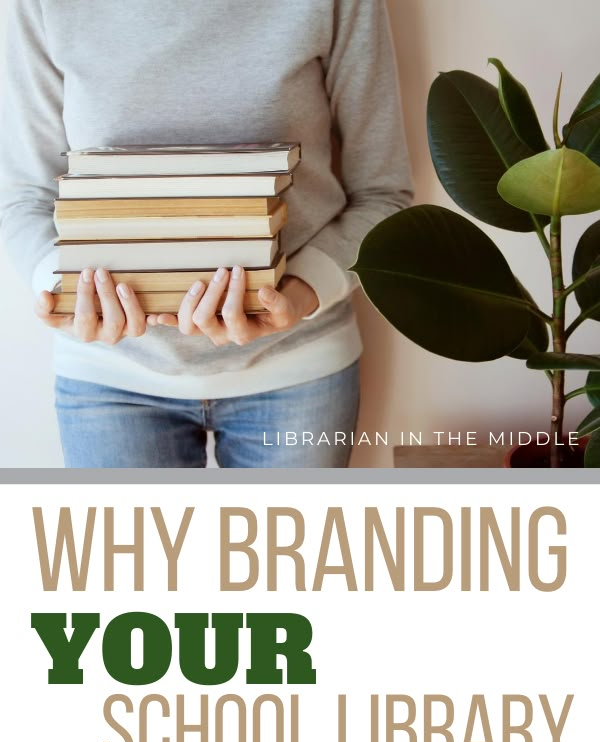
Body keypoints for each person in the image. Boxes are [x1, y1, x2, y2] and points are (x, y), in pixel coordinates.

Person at [0, 0, 412, 468]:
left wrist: (300, 294)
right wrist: (64, 292)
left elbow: (383, 194)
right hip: (110, 378)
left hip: (297, 367)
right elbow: (25, 196)